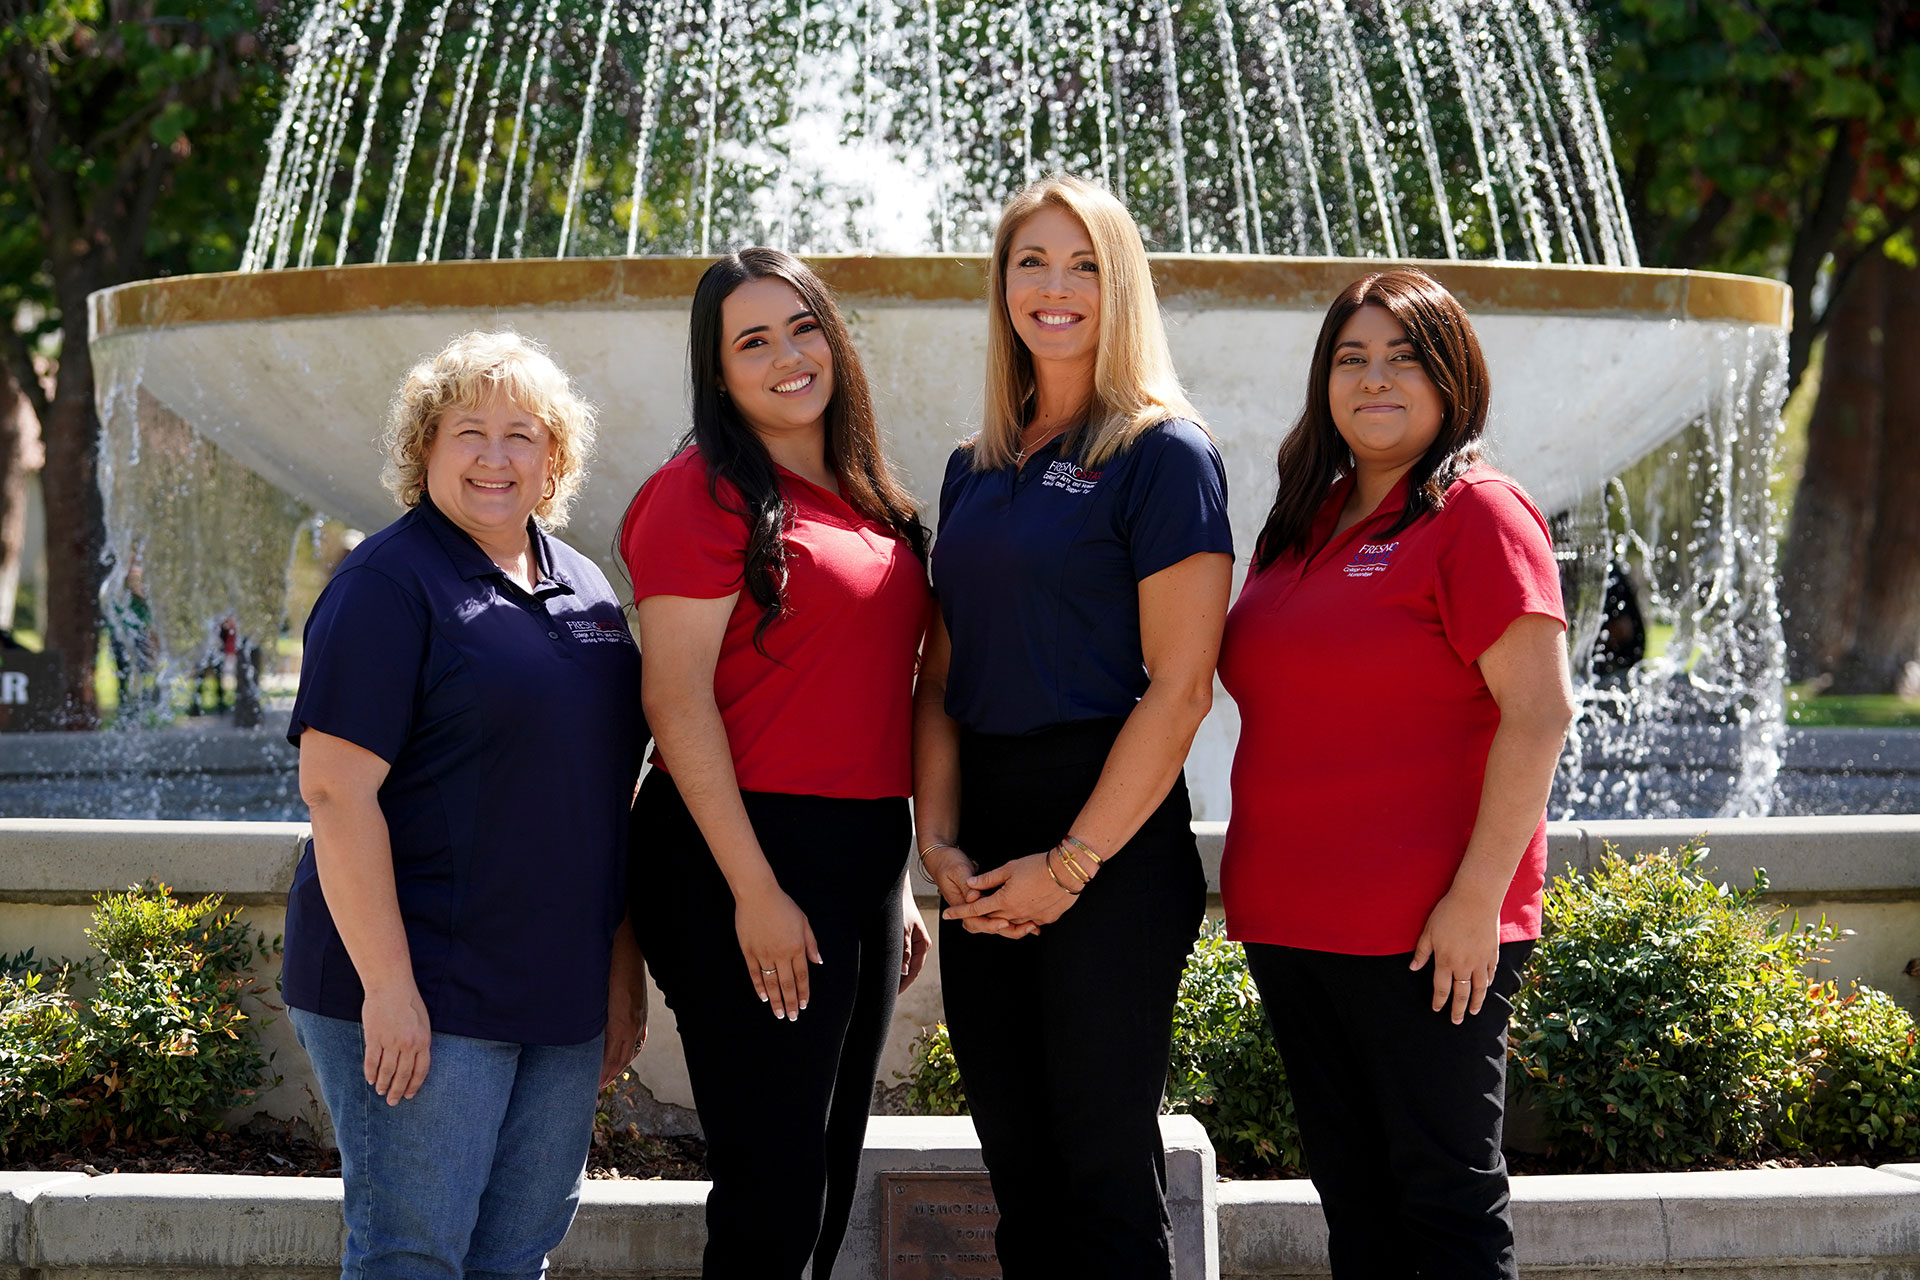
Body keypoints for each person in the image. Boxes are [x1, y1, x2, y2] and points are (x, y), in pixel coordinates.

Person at [1218, 269, 1577, 1277]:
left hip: (1428, 931)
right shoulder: (1302, 518)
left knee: (1446, 1205)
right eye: (1351, 358)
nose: (1374, 380)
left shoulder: (1478, 513)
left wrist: (1476, 899)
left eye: (1404, 358)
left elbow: (1540, 712)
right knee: (1356, 1200)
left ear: (1453, 376)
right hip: (1292, 920)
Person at [914, 174, 1233, 1279]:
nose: (1055, 288)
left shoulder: (1162, 453)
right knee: (1021, 1173)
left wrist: (1075, 861)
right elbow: (942, 668)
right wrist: (939, 840)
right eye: (1031, 263)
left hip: (1111, 829)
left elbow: (1183, 686)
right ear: (1001, 285)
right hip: (987, 832)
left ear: (1122, 283)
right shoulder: (973, 467)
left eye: (1084, 263)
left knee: (1102, 1175)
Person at [284, 331, 648, 1280]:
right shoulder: (385, 587)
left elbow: (605, 797)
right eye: (468, 432)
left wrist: (619, 971)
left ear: (554, 457)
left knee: (516, 1255)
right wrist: (390, 991)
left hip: (558, 992)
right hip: (426, 990)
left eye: (521, 435)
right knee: (414, 1257)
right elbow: (334, 790)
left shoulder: (588, 588)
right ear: (426, 449)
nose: (496, 457)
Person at [620, 247, 932, 1280]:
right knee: (774, 1183)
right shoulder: (699, 493)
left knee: (829, 1169)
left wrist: (896, 883)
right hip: (735, 852)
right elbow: (674, 698)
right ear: (718, 373)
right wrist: (756, 887)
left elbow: (863, 683)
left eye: (803, 327)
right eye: (752, 340)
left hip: (856, 852)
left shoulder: (863, 493)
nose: (789, 355)